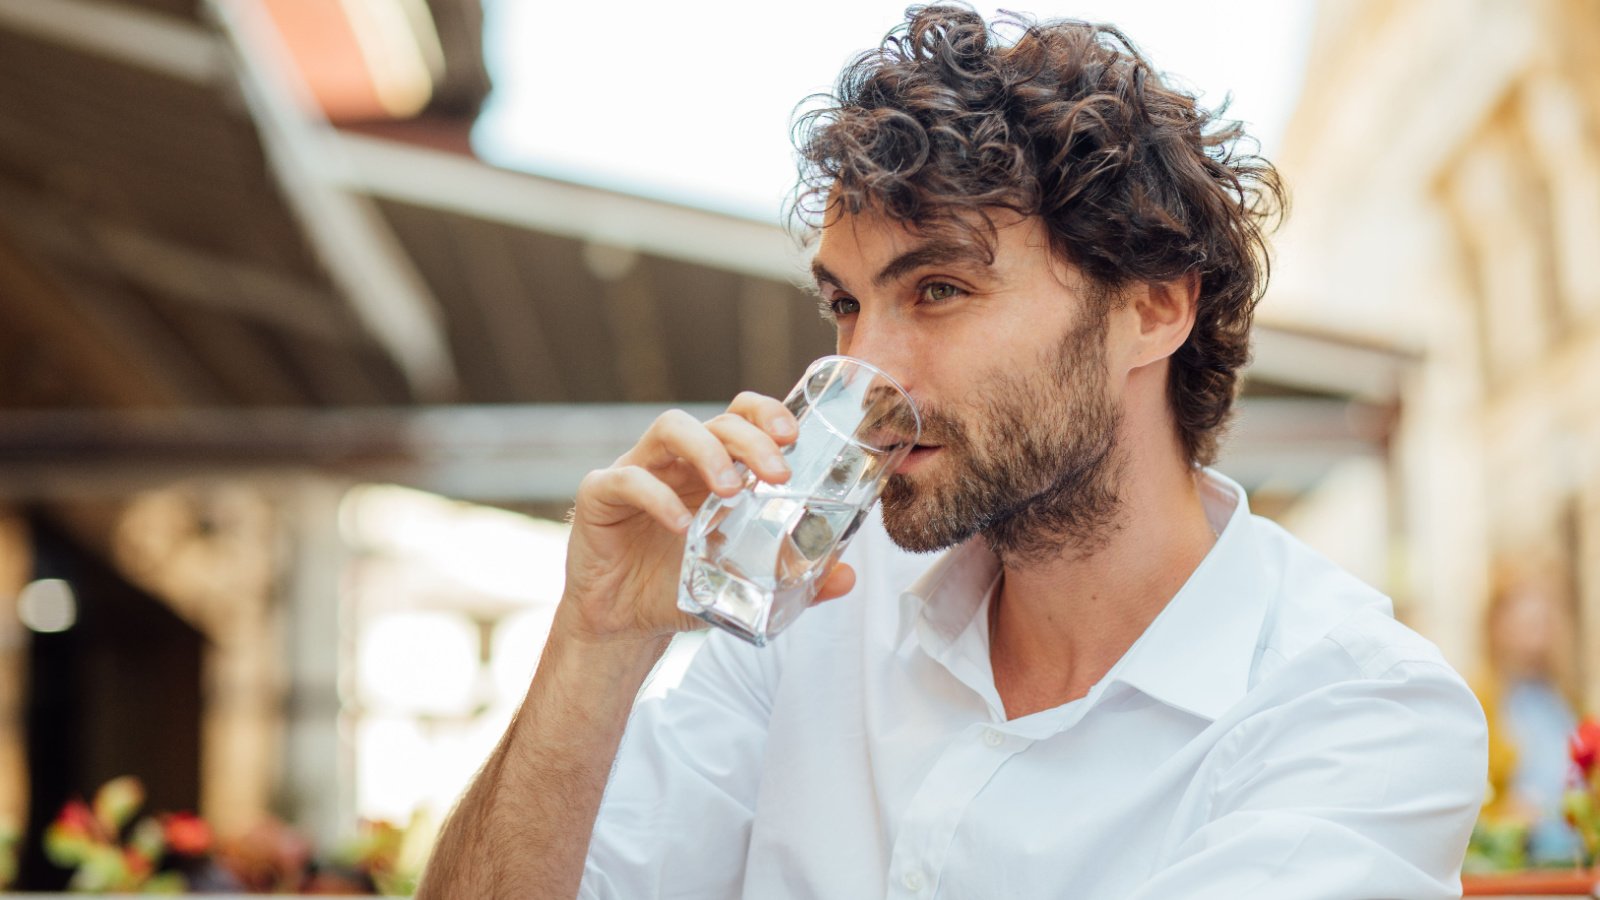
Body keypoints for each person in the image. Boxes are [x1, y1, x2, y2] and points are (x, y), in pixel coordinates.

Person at [417, 7, 1488, 898]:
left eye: (938, 290)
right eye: (844, 304)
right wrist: (596, 638)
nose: (864, 373)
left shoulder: (1356, 712)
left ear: (1154, 307)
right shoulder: (809, 624)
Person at [1475, 561, 1583, 865]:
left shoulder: (1564, 698)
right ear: (1497, 623)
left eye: (1545, 617)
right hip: (1519, 866)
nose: (1540, 628)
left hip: (1574, 863)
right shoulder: (1482, 701)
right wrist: (1507, 815)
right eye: (1526, 618)